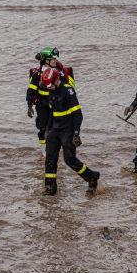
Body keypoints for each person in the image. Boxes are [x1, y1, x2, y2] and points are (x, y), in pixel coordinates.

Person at [42, 68, 100, 196]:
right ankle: (50, 188)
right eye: (47, 86)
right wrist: (47, 129)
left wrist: (76, 133)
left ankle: (92, 177)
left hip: (67, 130)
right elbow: (52, 113)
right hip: (55, 130)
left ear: (56, 80)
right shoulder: (51, 91)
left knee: (69, 159)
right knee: (49, 159)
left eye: (50, 85)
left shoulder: (68, 91)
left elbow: (78, 114)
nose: (49, 88)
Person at [26, 47, 74, 153]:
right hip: (42, 105)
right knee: (43, 129)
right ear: (46, 60)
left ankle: (59, 150)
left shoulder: (59, 73)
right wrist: (29, 106)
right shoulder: (37, 74)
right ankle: (44, 153)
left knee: (57, 127)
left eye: (55, 59)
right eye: (53, 59)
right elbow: (31, 90)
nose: (55, 61)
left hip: (56, 104)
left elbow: (65, 89)